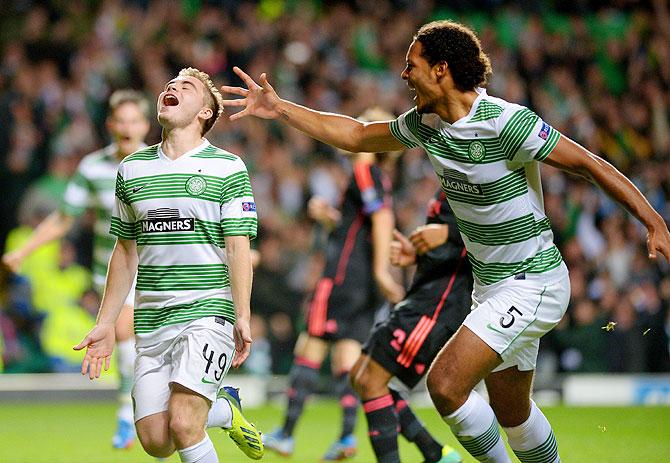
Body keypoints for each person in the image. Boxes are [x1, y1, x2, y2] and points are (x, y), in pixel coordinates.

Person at [221, 20, 670, 463]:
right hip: (490, 286)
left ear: (440, 69)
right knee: (512, 412)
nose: (403, 75)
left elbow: (588, 163)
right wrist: (282, 109)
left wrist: (653, 221)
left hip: (533, 280)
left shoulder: (505, 123)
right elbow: (358, 136)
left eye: (410, 65)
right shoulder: (427, 123)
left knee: (446, 385)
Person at [74, 67, 264, 463]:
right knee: (157, 441)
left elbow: (237, 246)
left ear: (205, 114)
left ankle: (210, 410)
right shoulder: (132, 169)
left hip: (208, 311)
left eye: (187, 86)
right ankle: (226, 409)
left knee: (183, 423)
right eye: (169, 84)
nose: (171, 87)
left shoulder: (227, 167)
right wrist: (106, 322)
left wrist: (242, 315)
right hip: (153, 319)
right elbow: (125, 251)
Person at [2, 89, 151, 449]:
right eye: (122, 121)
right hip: (114, 270)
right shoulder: (93, 167)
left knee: (150, 347)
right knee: (126, 334)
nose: (128, 127)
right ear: (111, 124)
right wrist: (25, 249)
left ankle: (150, 417)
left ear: (146, 124)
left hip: (161, 269)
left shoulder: (159, 163)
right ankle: (128, 414)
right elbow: (64, 218)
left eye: (135, 120)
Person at [263, 108, 405, 461]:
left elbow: (382, 218)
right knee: (347, 354)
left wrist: (381, 272)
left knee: (309, 347)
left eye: (359, 123)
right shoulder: (376, 176)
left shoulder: (363, 169)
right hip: (361, 288)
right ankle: (345, 436)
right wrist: (333, 219)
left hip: (342, 279)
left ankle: (286, 434)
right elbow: (366, 226)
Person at [350, 190, 472, 463]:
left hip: (439, 306)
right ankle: (435, 453)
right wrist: (417, 255)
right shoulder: (448, 179)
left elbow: (497, 234)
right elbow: (453, 254)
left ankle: (433, 454)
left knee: (371, 380)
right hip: (421, 296)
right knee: (359, 375)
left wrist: (448, 233)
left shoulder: (476, 175)